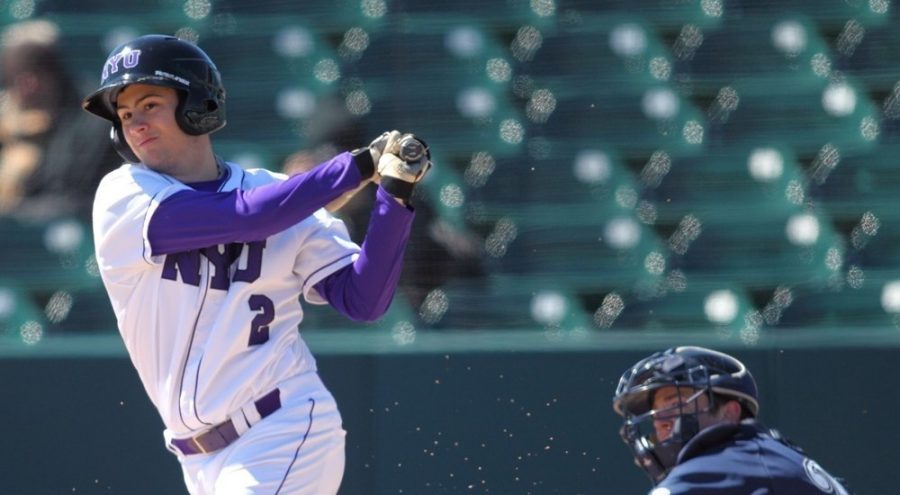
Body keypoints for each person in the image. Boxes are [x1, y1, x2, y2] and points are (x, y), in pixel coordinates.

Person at [81, 34, 431, 494]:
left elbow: (363, 300)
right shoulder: (123, 196)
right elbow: (247, 216)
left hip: (282, 426)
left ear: (198, 104)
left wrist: (394, 195)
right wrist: (359, 165)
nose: (136, 123)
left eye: (150, 104)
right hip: (199, 460)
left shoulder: (282, 196)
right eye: (125, 115)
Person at [612, 346, 852, 494]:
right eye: (656, 410)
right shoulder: (771, 455)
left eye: (675, 404)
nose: (660, 420)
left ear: (730, 412)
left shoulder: (727, 463)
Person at [0, 19, 120, 220]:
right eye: (17, 73)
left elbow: (73, 197)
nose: (28, 84)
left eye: (38, 69)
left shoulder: (94, 117)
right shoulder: (6, 119)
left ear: (56, 70)